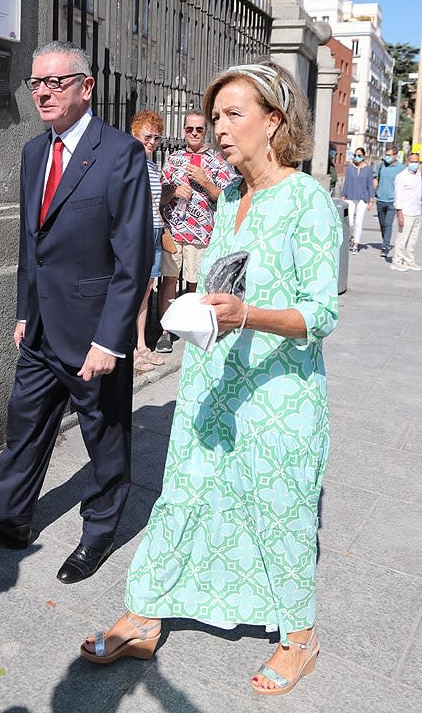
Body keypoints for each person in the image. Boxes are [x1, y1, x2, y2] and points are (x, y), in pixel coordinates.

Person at [80, 61, 342, 697]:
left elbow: (323, 313)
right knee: (187, 494)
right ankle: (144, 612)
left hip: (279, 392)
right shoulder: (228, 196)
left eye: (234, 116)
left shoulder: (306, 199)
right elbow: (229, 280)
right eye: (215, 117)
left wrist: (248, 315)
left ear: (273, 121)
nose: (219, 130)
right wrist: (201, 312)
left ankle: (299, 638)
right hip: (215, 377)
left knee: (278, 509)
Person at [0, 41, 153, 584]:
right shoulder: (34, 152)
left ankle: (99, 532)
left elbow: (132, 256)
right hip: (39, 327)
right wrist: (23, 310)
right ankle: (8, 517)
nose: (42, 91)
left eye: (55, 82)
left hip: (93, 333)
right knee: (25, 426)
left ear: (87, 87)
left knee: (104, 436)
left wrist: (112, 341)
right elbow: (30, 243)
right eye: (35, 82)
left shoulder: (121, 153)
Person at [155, 111, 236, 353]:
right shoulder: (174, 159)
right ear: (183, 131)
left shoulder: (217, 161)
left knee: (195, 284)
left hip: (201, 232)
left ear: (205, 132)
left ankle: (192, 328)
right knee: (169, 280)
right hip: (173, 231)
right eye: (189, 129)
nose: (194, 134)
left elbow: (227, 199)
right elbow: (159, 197)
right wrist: (174, 192)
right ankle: (166, 331)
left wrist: (205, 181)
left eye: (199, 130)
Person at [130, 110, 166, 372]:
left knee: (147, 289)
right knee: (134, 290)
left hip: (155, 230)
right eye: (148, 136)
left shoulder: (152, 166)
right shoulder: (131, 163)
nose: (153, 142)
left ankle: (142, 345)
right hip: (139, 232)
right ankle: (131, 346)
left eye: (157, 137)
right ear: (135, 134)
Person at [391, 152, 421, 272]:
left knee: (412, 240)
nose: (415, 164)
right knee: (402, 238)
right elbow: (398, 196)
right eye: (412, 161)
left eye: (416, 162)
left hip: (416, 211)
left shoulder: (418, 175)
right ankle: (397, 261)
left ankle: (409, 260)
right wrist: (399, 213)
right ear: (407, 162)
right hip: (406, 212)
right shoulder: (401, 176)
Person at [341, 147, 374, 253]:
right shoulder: (350, 168)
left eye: (359, 155)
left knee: (359, 222)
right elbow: (346, 183)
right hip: (350, 197)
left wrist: (371, 200)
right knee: (349, 221)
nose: (357, 157)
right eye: (355, 155)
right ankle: (351, 237)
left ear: (363, 156)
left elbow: (370, 185)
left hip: (363, 198)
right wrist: (343, 196)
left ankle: (356, 244)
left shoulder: (368, 169)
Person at [375, 145, 403, 257]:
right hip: (380, 199)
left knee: (388, 223)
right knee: (382, 224)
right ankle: (385, 240)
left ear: (395, 156)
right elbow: (376, 179)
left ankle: (385, 246)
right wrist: (373, 192)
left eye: (389, 155)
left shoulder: (401, 168)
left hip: (392, 201)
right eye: (386, 155)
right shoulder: (381, 166)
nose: (387, 157)